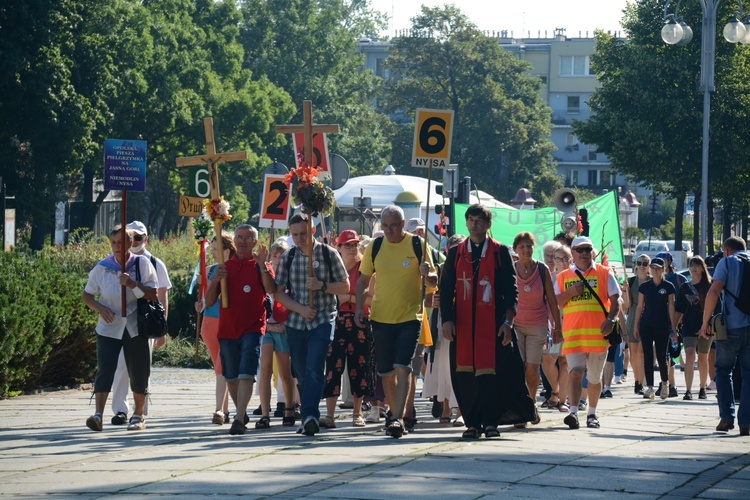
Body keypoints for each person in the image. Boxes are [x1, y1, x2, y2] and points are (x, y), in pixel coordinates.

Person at [440, 204, 537, 439]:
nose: (475, 224)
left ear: (488, 225)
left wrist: (507, 322)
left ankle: (491, 422)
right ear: (466, 223)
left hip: (492, 324)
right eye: (471, 219)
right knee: (466, 375)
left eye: (479, 220)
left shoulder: (499, 252)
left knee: (490, 375)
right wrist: (447, 320)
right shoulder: (455, 253)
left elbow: (510, 290)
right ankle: (472, 423)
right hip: (462, 325)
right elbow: (445, 290)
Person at [356, 205, 437, 438]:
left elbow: (433, 281)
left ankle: (398, 419)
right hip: (381, 317)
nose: (389, 231)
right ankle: (393, 413)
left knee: (404, 367)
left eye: (394, 226)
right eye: (385, 226)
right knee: (385, 373)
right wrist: (360, 308)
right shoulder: (376, 245)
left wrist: (427, 273)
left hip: (410, 316)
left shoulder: (417, 245)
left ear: (403, 225)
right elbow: (362, 280)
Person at [274, 214, 349, 436]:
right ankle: (309, 412)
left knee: (315, 366)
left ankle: (309, 415)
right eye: (295, 234)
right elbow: (278, 293)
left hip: (324, 318)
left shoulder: (329, 253)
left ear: (313, 230)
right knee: (301, 370)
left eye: (303, 233)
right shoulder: (288, 258)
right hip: (297, 322)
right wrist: (300, 309)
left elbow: (344, 286)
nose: (299, 238)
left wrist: (322, 285)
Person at [82, 226, 158, 432]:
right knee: (105, 368)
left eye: (122, 242)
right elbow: (87, 295)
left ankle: (139, 414)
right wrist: (100, 308)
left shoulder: (141, 264)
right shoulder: (102, 267)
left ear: (131, 243)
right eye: (114, 242)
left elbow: (153, 293)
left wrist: (132, 284)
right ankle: (98, 414)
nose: (117, 247)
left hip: (135, 325)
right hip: (109, 327)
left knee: (138, 370)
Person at [205, 224, 276, 435]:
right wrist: (216, 279)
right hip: (227, 329)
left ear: (255, 241)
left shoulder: (260, 265)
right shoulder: (224, 267)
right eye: (239, 237)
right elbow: (209, 301)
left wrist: (263, 266)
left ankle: (238, 419)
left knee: (246, 373)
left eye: (248, 237)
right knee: (231, 376)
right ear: (234, 240)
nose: (243, 241)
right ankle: (241, 412)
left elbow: (271, 290)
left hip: (253, 328)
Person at [108, 220, 172, 426]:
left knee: (141, 367)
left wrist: (161, 329)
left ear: (146, 239)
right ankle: (120, 409)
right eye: (131, 237)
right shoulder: (116, 260)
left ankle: (141, 409)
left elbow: (161, 296)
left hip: (144, 323)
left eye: (138, 237)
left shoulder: (154, 263)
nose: (134, 241)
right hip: (120, 322)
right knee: (120, 365)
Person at [555, 236, 620, 429]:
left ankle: (592, 413)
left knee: (594, 378)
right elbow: (556, 302)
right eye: (580, 250)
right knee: (574, 373)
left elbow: (617, 300)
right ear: (572, 253)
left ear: (592, 251)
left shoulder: (604, 272)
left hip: (598, 335)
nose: (584, 253)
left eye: (587, 249)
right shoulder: (563, 276)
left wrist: (610, 320)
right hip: (574, 334)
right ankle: (573, 412)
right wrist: (571, 292)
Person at [320, 230, 375, 428]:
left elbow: (372, 299)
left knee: (358, 366)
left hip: (359, 319)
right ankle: (330, 415)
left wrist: (350, 298)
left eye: (355, 244)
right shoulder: (333, 268)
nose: (352, 248)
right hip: (336, 320)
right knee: (333, 366)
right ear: (339, 247)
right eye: (348, 245)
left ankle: (357, 412)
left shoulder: (364, 269)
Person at [701, 236, 750, 435]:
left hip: (731, 326)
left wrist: (705, 323)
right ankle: (746, 422)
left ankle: (726, 418)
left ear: (727, 250)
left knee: (723, 370)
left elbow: (714, 292)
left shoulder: (727, 262)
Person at [512, 232, 562, 414]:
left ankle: (530, 405)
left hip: (537, 326)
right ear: (516, 250)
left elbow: (551, 300)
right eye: (522, 246)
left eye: (529, 246)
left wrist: (557, 327)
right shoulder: (511, 269)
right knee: (517, 369)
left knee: (532, 369)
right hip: (515, 325)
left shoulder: (542, 270)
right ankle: (519, 406)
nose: (526, 249)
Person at [195, 233, 236, 425]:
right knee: (219, 369)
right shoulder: (209, 270)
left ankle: (219, 410)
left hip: (227, 324)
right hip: (209, 324)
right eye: (210, 250)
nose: (212, 253)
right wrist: (201, 304)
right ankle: (225, 410)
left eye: (215, 250)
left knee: (222, 367)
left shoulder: (234, 269)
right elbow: (205, 298)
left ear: (226, 250)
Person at [256, 238, 297, 429]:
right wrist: (263, 266)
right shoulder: (265, 272)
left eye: (282, 255)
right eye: (275, 255)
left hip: (283, 327)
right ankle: (265, 413)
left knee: (284, 372)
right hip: (266, 327)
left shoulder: (291, 275)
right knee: (265, 370)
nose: (278, 259)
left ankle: (289, 407)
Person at [633, 257, 676, 400]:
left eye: (658, 268)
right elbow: (640, 307)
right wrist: (636, 326)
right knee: (647, 355)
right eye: (653, 268)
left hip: (662, 325)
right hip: (646, 324)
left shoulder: (668, 286)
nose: (655, 270)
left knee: (662, 356)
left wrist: (673, 326)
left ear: (664, 269)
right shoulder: (645, 286)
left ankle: (665, 383)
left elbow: (671, 306)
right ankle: (649, 387)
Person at [673, 256, 714, 401]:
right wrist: (673, 327)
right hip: (689, 326)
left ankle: (702, 388)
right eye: (692, 265)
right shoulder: (685, 287)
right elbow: (679, 310)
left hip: (706, 326)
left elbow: (717, 307)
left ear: (703, 268)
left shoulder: (710, 286)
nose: (694, 268)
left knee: (703, 358)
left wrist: (708, 324)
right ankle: (688, 390)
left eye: (697, 265)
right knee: (690, 355)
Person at [541, 245, 572, 412]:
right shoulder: (550, 276)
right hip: (554, 324)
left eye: (565, 258)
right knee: (547, 359)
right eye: (558, 258)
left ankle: (562, 399)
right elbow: (550, 303)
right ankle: (557, 391)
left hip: (571, 323)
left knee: (564, 361)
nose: (561, 261)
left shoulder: (574, 276)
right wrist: (551, 325)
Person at [623, 254, 649, 395]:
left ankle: (640, 382)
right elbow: (627, 304)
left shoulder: (652, 281)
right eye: (639, 262)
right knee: (633, 354)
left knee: (641, 352)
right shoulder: (631, 281)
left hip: (647, 317)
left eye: (645, 263)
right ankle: (637, 380)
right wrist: (626, 290)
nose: (642, 265)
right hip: (633, 316)